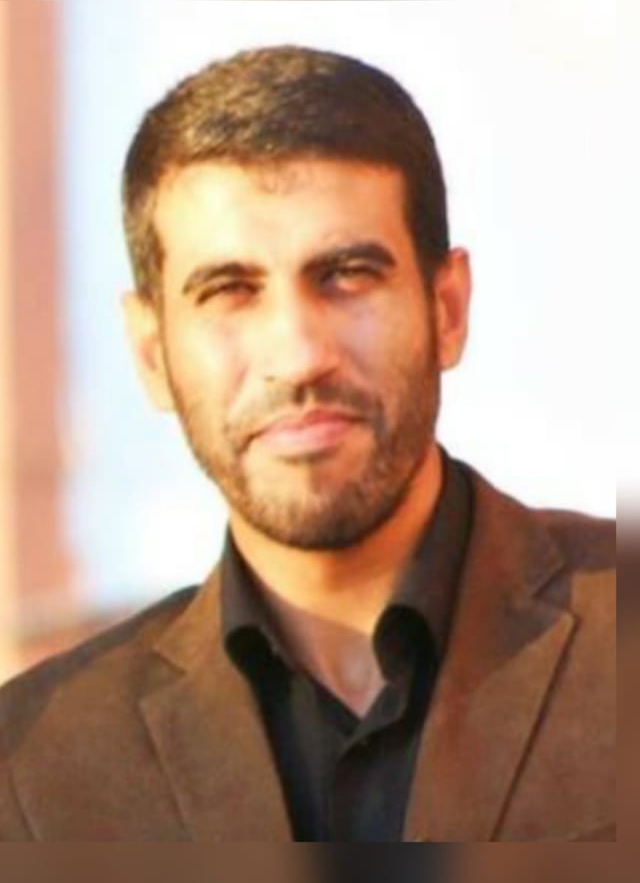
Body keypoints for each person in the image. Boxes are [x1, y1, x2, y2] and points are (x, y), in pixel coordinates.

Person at [0, 45, 615, 842]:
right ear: (151, 353)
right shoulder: (35, 770)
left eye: (348, 274)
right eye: (230, 291)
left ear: (448, 309)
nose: (298, 355)